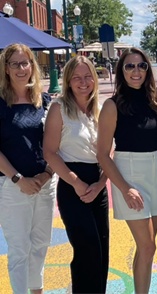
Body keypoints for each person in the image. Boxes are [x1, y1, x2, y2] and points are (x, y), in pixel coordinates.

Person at [96, 47, 157, 294]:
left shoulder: (155, 102)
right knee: (148, 247)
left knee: (147, 247)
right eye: (130, 66)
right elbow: (102, 153)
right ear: (121, 71)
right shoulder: (112, 106)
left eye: (142, 66)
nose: (136, 71)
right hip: (130, 176)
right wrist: (125, 188)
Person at [0, 43, 55, 294]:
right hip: (12, 186)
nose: (21, 68)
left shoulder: (44, 100)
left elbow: (55, 144)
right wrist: (18, 178)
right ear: (6, 69)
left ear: (32, 66)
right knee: (19, 247)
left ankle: (36, 290)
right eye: (15, 64)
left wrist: (46, 175)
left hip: (44, 183)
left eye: (25, 63)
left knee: (41, 242)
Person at [43, 56, 109, 294]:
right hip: (72, 184)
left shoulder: (100, 110)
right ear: (68, 81)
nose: (83, 82)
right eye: (77, 78)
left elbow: (108, 155)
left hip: (98, 183)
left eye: (88, 76)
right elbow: (49, 152)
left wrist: (101, 183)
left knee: (101, 251)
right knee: (86, 251)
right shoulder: (59, 108)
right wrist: (77, 183)